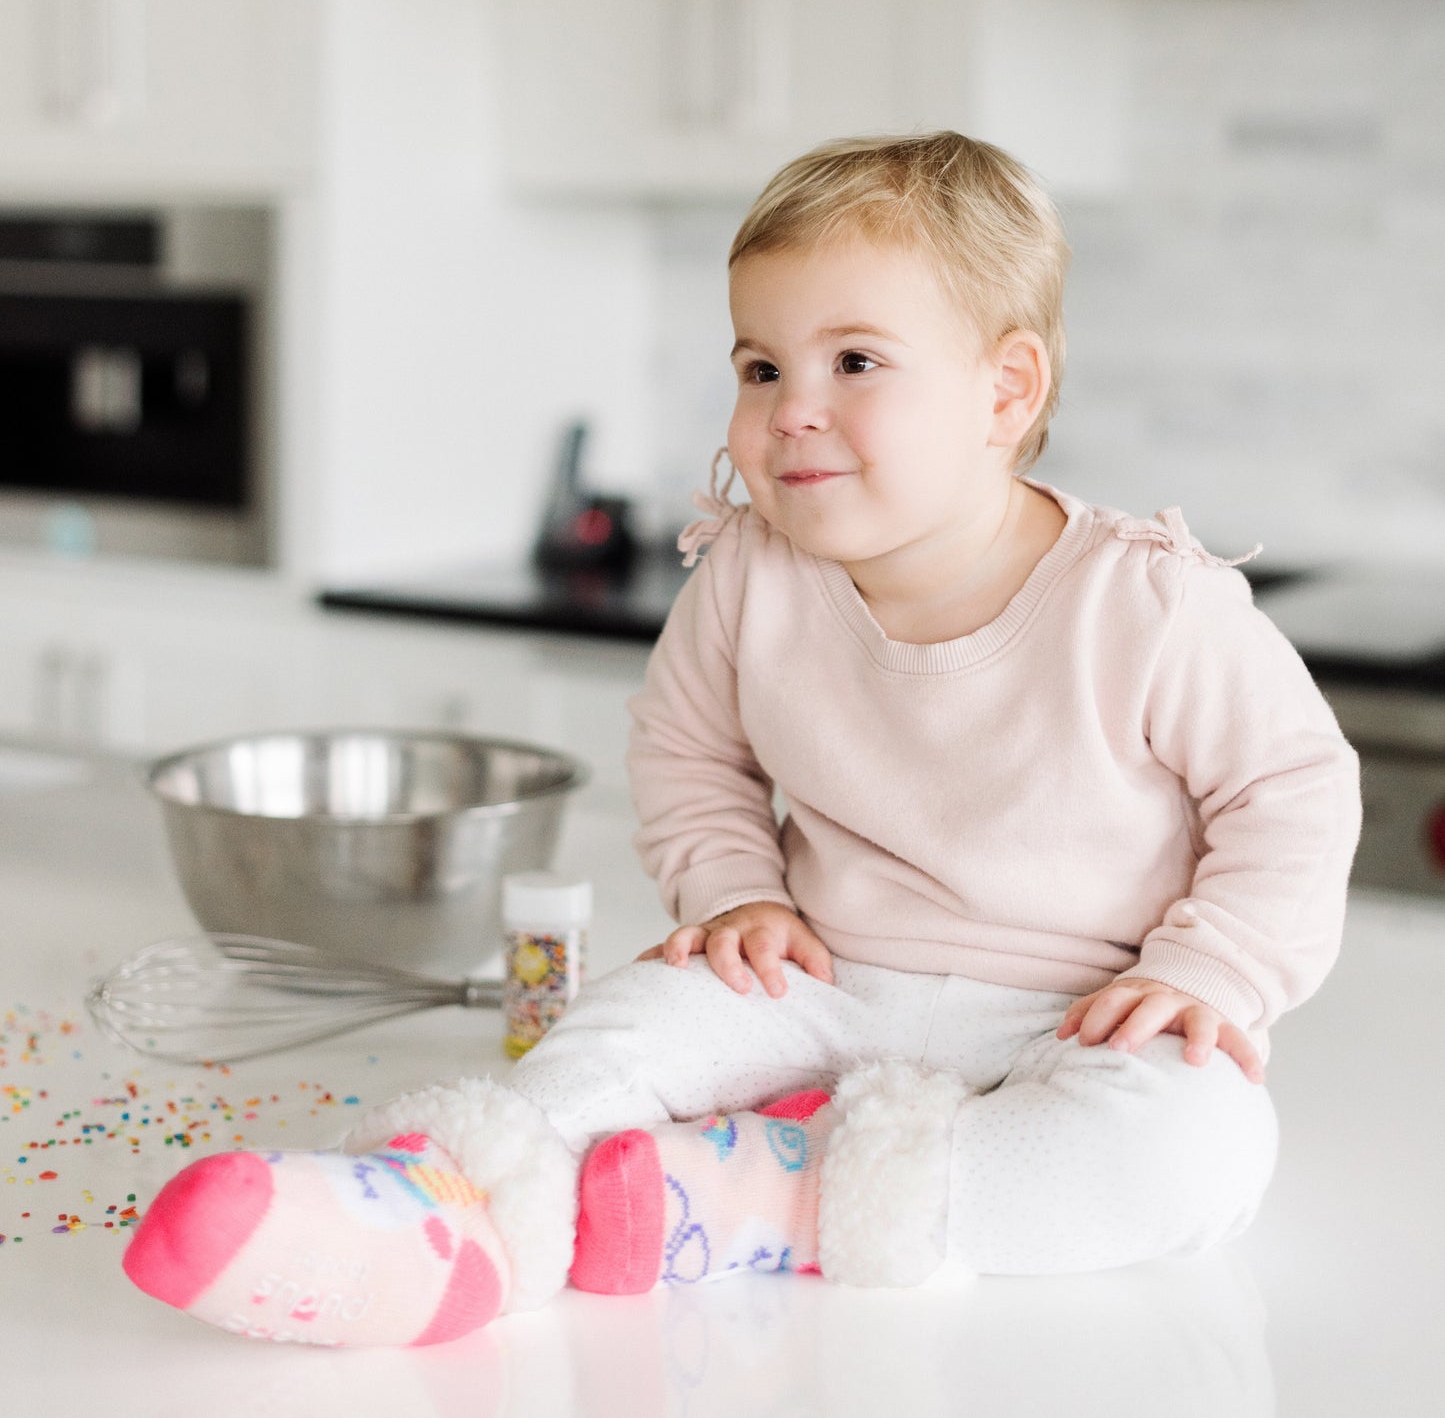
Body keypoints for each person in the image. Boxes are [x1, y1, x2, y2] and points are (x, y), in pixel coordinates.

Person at [119, 131, 1362, 1347]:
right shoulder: (749, 575)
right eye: (759, 368)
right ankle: (438, 1205)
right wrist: (734, 892)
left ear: (1006, 388)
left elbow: (1291, 791)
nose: (789, 412)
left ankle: (758, 1193)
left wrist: (1209, 973)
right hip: (819, 982)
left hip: (1073, 1007)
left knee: (1195, 1148)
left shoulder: (1145, 598)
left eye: (854, 362)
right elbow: (687, 750)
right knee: (621, 1026)